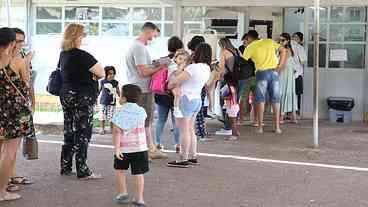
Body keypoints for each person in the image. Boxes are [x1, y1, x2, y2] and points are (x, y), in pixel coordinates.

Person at [59, 23, 104, 179]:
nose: (84, 37)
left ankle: (65, 166)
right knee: (83, 132)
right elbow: (101, 72)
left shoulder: (63, 54)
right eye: (83, 34)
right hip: (83, 96)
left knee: (69, 130)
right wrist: (92, 76)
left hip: (66, 95)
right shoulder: (83, 55)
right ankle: (82, 169)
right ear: (76, 36)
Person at [125, 22, 167, 159]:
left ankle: (151, 149)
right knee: (145, 122)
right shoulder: (139, 48)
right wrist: (160, 67)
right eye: (154, 35)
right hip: (142, 89)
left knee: (144, 121)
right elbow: (143, 71)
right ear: (149, 31)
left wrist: (154, 64)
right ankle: (145, 151)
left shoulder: (135, 46)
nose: (154, 38)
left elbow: (143, 68)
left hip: (138, 88)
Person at [0, 27, 33, 202]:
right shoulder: (18, 61)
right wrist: (27, 61)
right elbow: (26, 85)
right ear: (12, 43)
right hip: (15, 113)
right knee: (9, 153)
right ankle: (2, 192)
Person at [167, 43, 211, 168]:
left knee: (184, 130)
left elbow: (174, 82)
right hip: (197, 100)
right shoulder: (206, 68)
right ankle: (193, 156)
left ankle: (183, 158)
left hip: (185, 99)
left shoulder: (193, 68)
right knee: (191, 129)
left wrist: (171, 82)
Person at [243, 30, 287, 134]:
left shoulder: (250, 47)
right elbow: (283, 50)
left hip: (261, 73)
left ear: (249, 38)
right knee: (276, 100)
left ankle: (260, 127)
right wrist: (279, 66)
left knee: (260, 100)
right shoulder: (269, 41)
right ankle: (277, 128)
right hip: (274, 72)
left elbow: (243, 61)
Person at [112, 84, 149, 207]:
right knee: (139, 174)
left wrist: (117, 149)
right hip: (140, 148)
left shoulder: (119, 112)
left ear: (124, 98)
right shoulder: (141, 111)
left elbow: (117, 131)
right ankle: (139, 199)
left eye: (121, 94)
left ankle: (123, 193)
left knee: (120, 171)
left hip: (123, 149)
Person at [154, 36, 182, 153]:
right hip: (176, 94)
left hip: (162, 93)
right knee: (176, 121)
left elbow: (153, 65)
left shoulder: (163, 60)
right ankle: (178, 144)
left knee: (161, 120)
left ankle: (158, 143)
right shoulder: (182, 60)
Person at [216, 37, 248, 136]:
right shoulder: (237, 50)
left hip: (229, 80)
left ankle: (228, 127)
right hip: (241, 79)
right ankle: (233, 125)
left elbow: (221, 68)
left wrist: (218, 78)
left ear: (222, 45)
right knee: (235, 102)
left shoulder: (224, 52)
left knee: (226, 102)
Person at [187, 36, 210, 141]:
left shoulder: (192, 57)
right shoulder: (197, 58)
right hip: (199, 86)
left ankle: (199, 132)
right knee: (199, 111)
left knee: (195, 111)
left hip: (192, 88)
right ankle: (201, 132)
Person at [278, 33, 298, 124]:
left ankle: (282, 116)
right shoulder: (286, 49)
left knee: (284, 92)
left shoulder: (286, 50)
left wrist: (275, 72)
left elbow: (282, 63)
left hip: (285, 74)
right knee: (287, 93)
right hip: (286, 74)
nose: (281, 42)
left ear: (287, 40)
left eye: (283, 40)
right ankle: (293, 117)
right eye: (280, 40)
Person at [99, 66, 120, 135]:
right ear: (105, 74)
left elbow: (118, 91)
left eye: (113, 74)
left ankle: (111, 129)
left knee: (111, 117)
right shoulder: (102, 82)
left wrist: (121, 97)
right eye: (110, 74)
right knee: (102, 116)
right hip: (103, 102)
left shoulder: (115, 82)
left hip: (112, 102)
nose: (112, 75)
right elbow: (99, 91)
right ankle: (102, 128)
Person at [222, 72, 240, 141]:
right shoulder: (235, 86)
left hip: (232, 106)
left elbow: (230, 96)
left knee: (232, 122)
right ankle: (236, 132)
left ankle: (234, 135)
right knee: (234, 121)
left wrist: (223, 98)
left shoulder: (230, 87)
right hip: (234, 106)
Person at [292, 32, 306, 116]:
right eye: (293, 37)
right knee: (289, 93)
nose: (294, 39)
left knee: (297, 94)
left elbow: (303, 61)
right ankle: (288, 113)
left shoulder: (300, 48)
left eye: (296, 38)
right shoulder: (287, 48)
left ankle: (296, 112)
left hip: (297, 74)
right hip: (288, 74)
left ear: (301, 40)